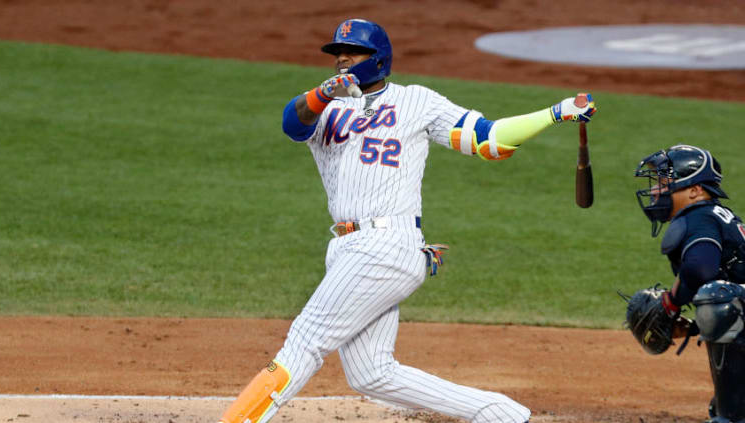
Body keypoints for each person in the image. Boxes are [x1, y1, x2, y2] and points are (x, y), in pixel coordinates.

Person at [218, 18, 596, 423]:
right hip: (346, 249)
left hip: (384, 245)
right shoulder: (324, 109)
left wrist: (555, 113)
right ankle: (499, 414)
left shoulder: (417, 102)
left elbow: (489, 141)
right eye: (337, 52)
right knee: (372, 374)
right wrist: (323, 93)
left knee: (303, 344)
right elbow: (291, 124)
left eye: (353, 51)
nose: (342, 58)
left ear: (377, 59)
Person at [634, 144, 745, 423]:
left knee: (718, 300)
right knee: (724, 402)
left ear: (695, 191)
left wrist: (670, 304)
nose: (657, 190)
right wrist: (697, 325)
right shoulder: (716, 214)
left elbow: (699, 268)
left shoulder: (698, 216)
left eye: (664, 183)